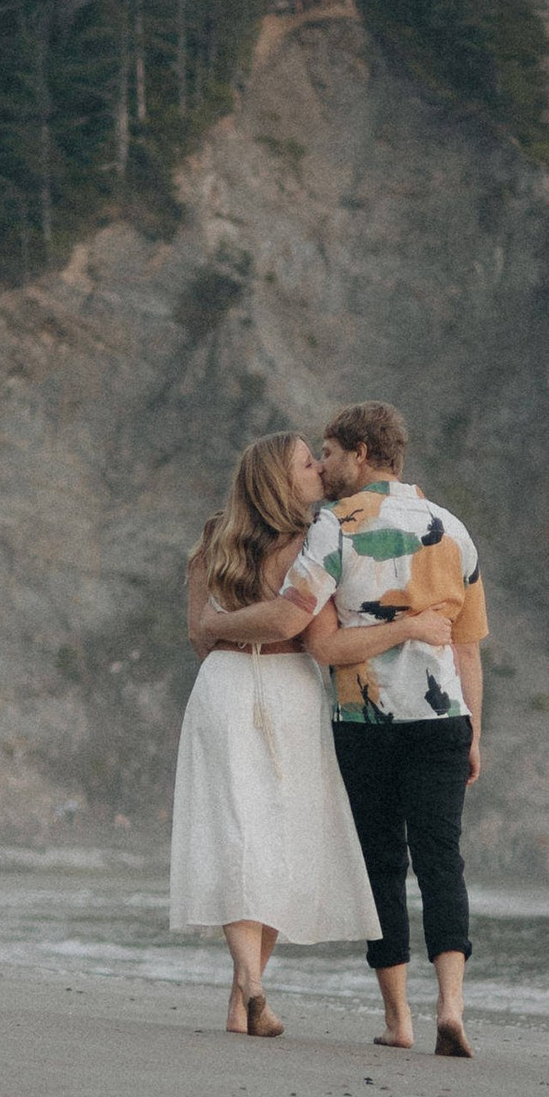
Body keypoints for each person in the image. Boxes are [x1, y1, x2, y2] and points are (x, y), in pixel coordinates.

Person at [168, 431, 450, 1037]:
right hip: (289, 688)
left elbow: (199, 632)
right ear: (280, 479)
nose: (319, 470)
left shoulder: (213, 539)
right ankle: (253, 987)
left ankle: (243, 997)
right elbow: (302, 628)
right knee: (273, 840)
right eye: (306, 463)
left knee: (237, 836)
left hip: (222, 684)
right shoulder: (315, 538)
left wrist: (223, 633)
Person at [302, 401, 490, 1059]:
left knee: (382, 862)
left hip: (365, 721)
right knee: (443, 861)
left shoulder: (333, 526)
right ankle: (452, 1006)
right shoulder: (453, 529)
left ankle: (399, 1019)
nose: (322, 465)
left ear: (360, 453)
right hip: (443, 719)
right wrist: (474, 734)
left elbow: (323, 647)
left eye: (329, 453)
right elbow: (467, 649)